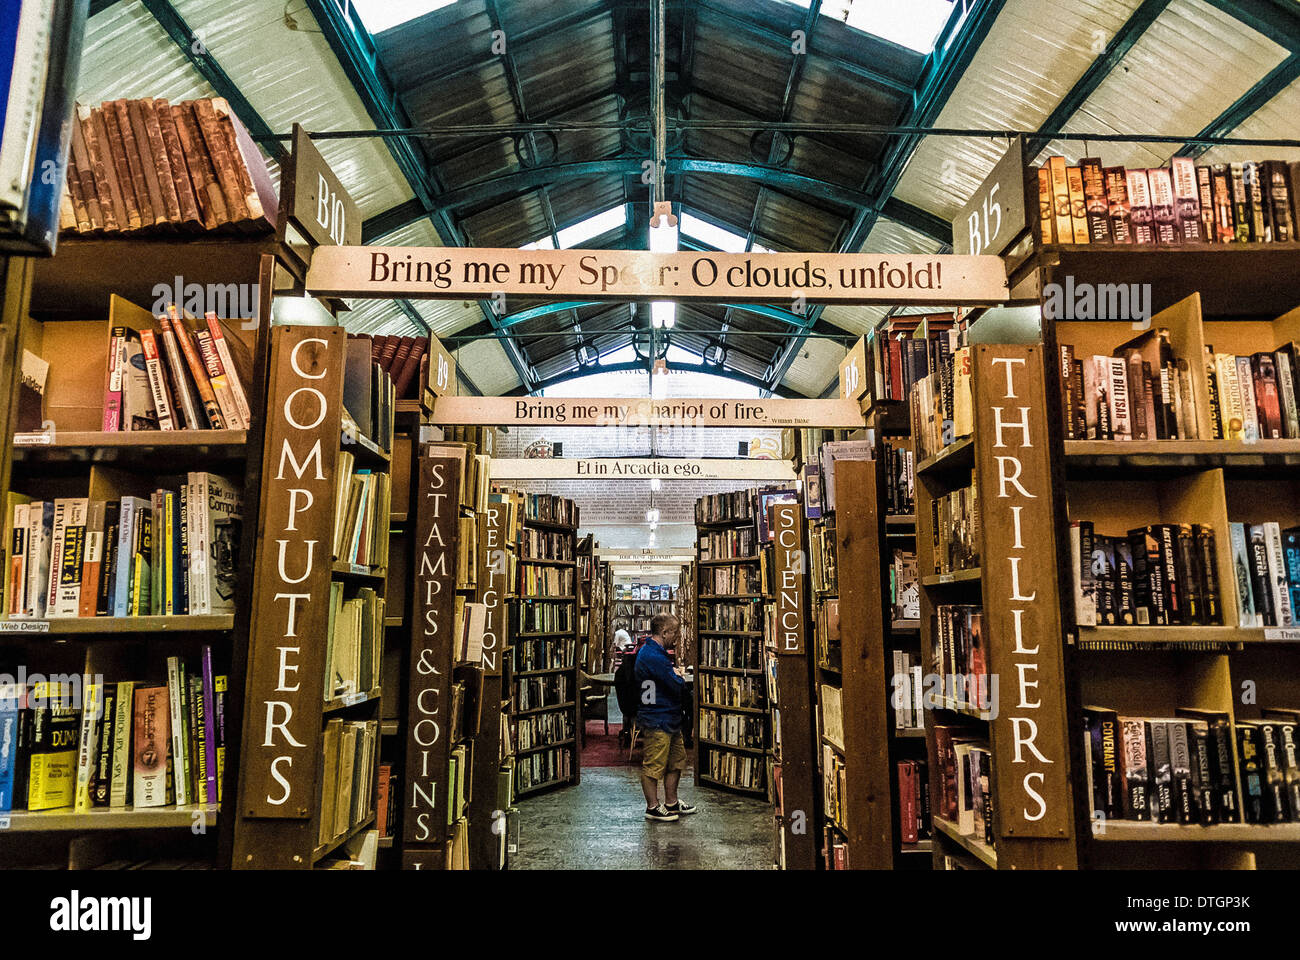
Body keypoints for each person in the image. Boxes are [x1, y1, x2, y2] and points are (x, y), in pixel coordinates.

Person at [633, 614, 697, 822]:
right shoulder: (653, 656)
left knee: (676, 762)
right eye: (675, 633)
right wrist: (677, 677)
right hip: (657, 717)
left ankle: (671, 801)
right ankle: (652, 807)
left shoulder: (655, 652)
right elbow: (675, 685)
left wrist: (674, 675)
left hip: (668, 716)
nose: (677, 637)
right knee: (653, 765)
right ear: (664, 632)